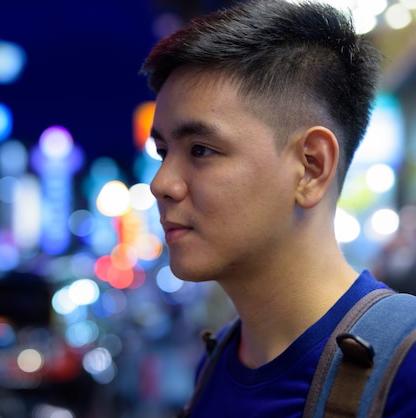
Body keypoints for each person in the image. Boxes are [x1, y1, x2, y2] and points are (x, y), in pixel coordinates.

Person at [140, 0, 416, 416]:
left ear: (311, 167)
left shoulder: (404, 364)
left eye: (200, 149)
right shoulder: (217, 362)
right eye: (163, 152)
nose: (161, 183)